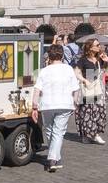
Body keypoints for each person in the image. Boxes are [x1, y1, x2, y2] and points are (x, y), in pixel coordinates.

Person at [30, 44, 81, 172]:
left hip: (47, 105)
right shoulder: (68, 69)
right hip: (64, 104)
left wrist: (34, 107)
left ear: (49, 56)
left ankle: (55, 158)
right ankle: (53, 158)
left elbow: (37, 90)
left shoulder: (44, 70)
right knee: (58, 132)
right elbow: (76, 89)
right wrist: (75, 104)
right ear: (62, 55)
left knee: (49, 130)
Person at [75, 40, 107, 144]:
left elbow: (106, 71)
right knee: (87, 112)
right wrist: (84, 80)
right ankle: (88, 135)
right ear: (90, 47)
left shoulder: (99, 59)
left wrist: (107, 61)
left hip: (98, 87)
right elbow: (76, 72)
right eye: (97, 45)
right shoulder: (83, 60)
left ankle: (94, 133)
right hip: (88, 87)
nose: (99, 46)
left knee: (98, 111)